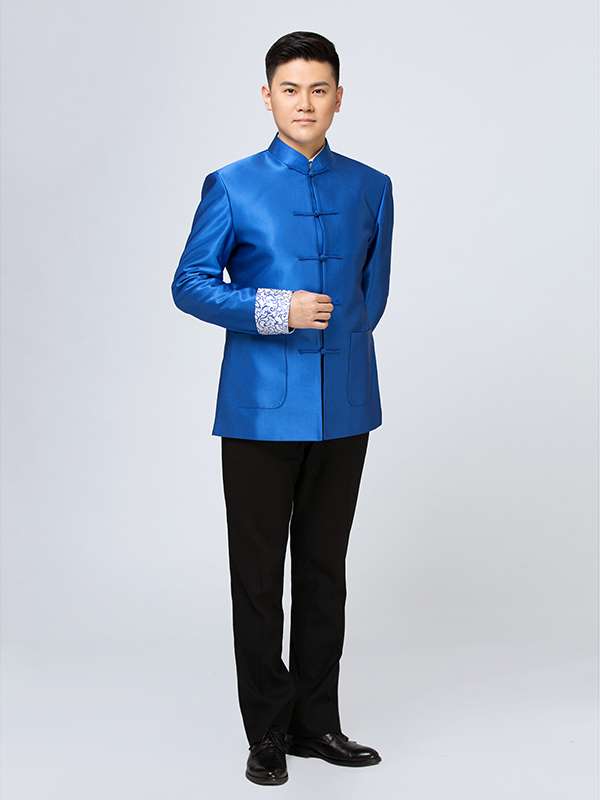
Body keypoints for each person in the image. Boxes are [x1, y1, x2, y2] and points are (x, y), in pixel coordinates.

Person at [172, 31, 394, 786]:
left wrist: (338, 353)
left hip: (346, 406)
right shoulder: (232, 184)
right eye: (291, 89)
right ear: (267, 96)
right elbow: (190, 283)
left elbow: (370, 298)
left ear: (339, 96)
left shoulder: (372, 186)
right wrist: (275, 309)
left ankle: (317, 723)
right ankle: (266, 731)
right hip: (260, 411)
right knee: (260, 575)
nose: (305, 103)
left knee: (325, 570)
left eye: (319, 89)